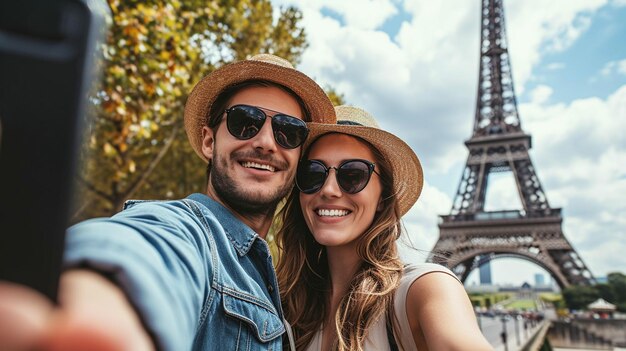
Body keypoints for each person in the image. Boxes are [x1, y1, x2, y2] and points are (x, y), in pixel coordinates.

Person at [0, 54, 335, 351]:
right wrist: (100, 299)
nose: (265, 142)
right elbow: (147, 248)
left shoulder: (276, 280)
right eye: (244, 122)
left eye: (288, 131)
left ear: (298, 157)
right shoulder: (184, 230)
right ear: (208, 142)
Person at [275, 105, 493, 350]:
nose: (328, 189)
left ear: (382, 198)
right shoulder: (286, 307)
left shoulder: (423, 290)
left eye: (353, 174)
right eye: (313, 173)